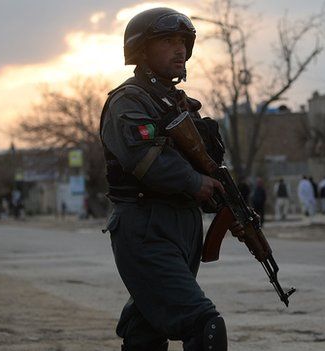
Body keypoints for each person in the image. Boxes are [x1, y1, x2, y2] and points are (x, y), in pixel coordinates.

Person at [100, 8, 240, 350]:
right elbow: (146, 160)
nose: (179, 49)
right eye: (167, 41)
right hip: (147, 226)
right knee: (204, 324)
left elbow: (203, 165)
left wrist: (222, 197)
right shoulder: (128, 101)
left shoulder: (180, 104)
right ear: (143, 50)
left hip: (182, 227)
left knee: (147, 331)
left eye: (183, 41)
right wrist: (196, 184)